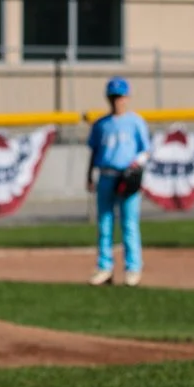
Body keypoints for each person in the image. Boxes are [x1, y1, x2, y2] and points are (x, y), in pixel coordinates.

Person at [86, 77, 150, 287]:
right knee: (104, 223)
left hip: (127, 177)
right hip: (106, 175)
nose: (117, 101)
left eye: (120, 96)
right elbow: (94, 151)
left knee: (129, 223)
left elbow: (146, 150)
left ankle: (133, 268)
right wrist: (89, 175)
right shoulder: (101, 124)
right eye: (113, 97)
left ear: (127, 97)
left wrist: (136, 166)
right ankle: (105, 267)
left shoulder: (135, 122)